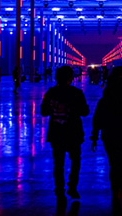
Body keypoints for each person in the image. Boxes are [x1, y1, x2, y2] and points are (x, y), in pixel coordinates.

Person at [91, 66, 122, 215]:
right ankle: (120, 186)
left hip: (109, 135)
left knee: (112, 163)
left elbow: (97, 119)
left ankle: (114, 189)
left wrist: (94, 136)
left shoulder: (104, 101)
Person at [41, 66, 90, 209]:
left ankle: (59, 189)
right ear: (71, 77)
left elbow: (44, 112)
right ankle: (72, 187)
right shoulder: (76, 93)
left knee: (58, 163)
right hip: (73, 133)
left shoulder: (51, 93)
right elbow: (85, 112)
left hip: (56, 133)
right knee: (75, 161)